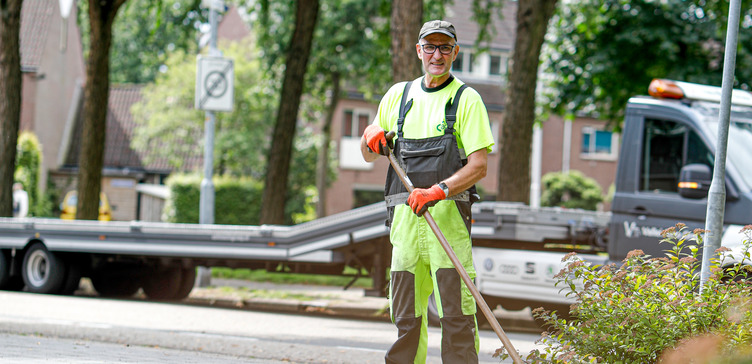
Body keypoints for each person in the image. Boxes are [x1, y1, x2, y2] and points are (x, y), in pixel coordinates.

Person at [360, 20, 494, 364]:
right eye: (430, 47)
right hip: (405, 229)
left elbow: (479, 166)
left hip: (447, 228)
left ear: (455, 52)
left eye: (445, 47)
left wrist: (438, 191)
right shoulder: (397, 97)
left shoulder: (466, 99)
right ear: (419, 51)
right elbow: (368, 153)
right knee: (406, 319)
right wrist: (370, 135)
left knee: (457, 318)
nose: (437, 54)